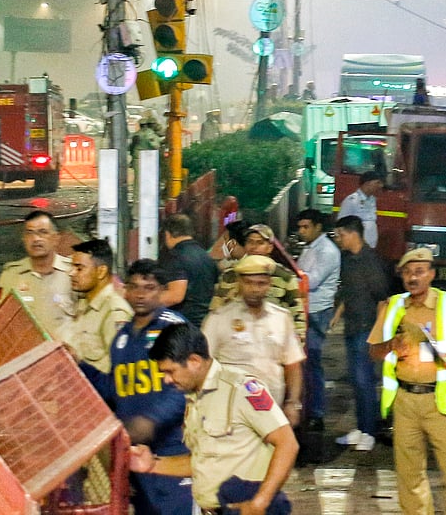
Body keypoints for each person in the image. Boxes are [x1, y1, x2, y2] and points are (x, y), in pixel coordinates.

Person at [131, 323, 299, 515]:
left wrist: (259, 503)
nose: (166, 379)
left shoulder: (241, 389)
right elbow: (202, 462)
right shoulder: (195, 398)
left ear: (194, 361)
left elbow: (287, 443)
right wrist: (152, 465)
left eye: (171, 371)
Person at [369, 248, 446, 515]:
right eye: (407, 272)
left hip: (441, 401)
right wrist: (391, 345)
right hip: (405, 401)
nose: (413, 277)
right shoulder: (393, 306)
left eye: (419, 271)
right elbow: (373, 352)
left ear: (431, 275)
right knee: (409, 474)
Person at [110, 260, 193, 515]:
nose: (140, 294)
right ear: (125, 291)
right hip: (134, 453)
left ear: (162, 291)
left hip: (172, 448)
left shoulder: (173, 328)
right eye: (134, 287)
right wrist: (80, 366)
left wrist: (151, 420)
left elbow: (186, 386)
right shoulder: (121, 337)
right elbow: (114, 387)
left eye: (149, 287)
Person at [202, 253, 305, 427]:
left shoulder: (281, 318)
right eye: (248, 283)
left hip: (273, 412)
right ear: (239, 283)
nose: (255, 289)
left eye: (261, 283)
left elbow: (293, 366)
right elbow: (203, 365)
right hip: (230, 414)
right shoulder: (218, 319)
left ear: (269, 285)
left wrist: (293, 403)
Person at [333, 215, 391, 451]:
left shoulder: (371, 261)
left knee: (365, 381)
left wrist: (377, 336)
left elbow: (382, 300)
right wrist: (338, 315)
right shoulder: (347, 259)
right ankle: (360, 427)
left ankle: (369, 431)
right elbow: (349, 292)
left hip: (366, 330)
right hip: (351, 327)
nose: (338, 240)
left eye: (341, 235)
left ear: (353, 234)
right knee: (356, 382)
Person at [293, 208, 340, 431]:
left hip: (317, 311)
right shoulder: (311, 248)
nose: (302, 231)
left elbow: (310, 281)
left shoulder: (327, 251)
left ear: (317, 227)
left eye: (306, 227)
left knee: (312, 362)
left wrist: (290, 276)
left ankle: (317, 412)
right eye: (300, 227)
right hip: (307, 309)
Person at [64, 238, 132, 390]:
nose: (71, 273)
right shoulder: (83, 306)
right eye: (72, 267)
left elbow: (122, 373)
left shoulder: (114, 312)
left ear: (101, 271)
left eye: (79, 268)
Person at [0, 210, 74, 338]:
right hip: (25, 355)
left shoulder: (73, 273)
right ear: (24, 239)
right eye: (30, 233)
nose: (36, 239)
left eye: (43, 232)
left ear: (56, 238)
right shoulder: (10, 275)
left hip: (64, 355)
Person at [159, 214, 218, 328]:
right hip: (205, 324)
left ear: (167, 234)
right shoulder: (206, 257)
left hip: (183, 326)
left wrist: (148, 301)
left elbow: (175, 296)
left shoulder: (175, 256)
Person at [341, 170, 383, 248]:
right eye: (377, 183)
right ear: (367, 184)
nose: (380, 186)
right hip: (356, 247)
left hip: (370, 245)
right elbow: (342, 224)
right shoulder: (352, 200)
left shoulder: (373, 200)